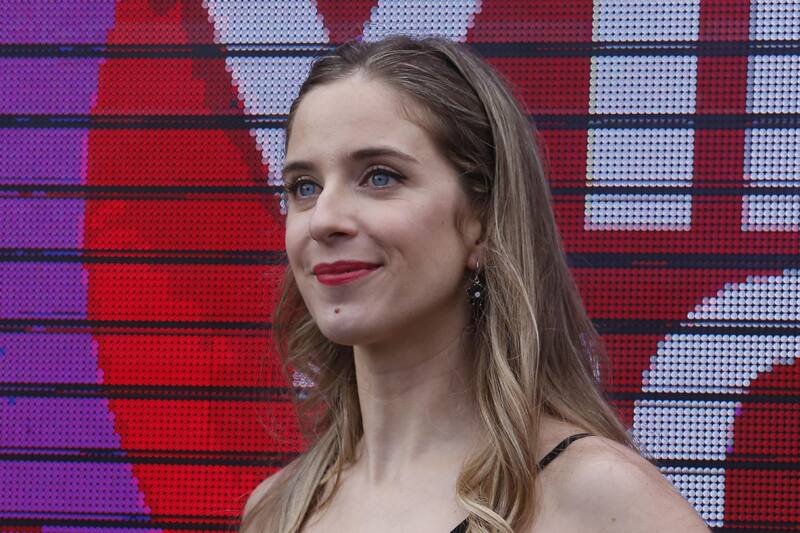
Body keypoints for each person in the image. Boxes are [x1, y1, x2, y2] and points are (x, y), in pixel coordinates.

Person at [240, 35, 710, 533]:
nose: (322, 220)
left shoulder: (599, 498)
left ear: (483, 219)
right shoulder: (275, 509)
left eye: (380, 177)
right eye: (304, 187)